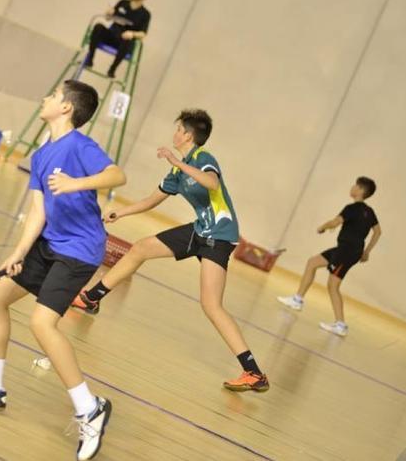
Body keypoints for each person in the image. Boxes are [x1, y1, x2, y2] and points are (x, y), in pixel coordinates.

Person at [0, 80, 126, 460]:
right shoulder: (42, 155)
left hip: (80, 251)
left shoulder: (79, 145)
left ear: (67, 109)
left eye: (53, 96)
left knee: (42, 323)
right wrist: (19, 252)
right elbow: (38, 210)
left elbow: (116, 176)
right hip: (50, 244)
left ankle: (90, 408)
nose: (45, 98)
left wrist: (78, 183)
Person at [71, 109, 270, 393]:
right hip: (199, 230)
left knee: (211, 305)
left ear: (187, 135)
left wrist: (177, 160)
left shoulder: (203, 159)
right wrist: (122, 213)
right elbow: (153, 199)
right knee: (140, 249)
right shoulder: (178, 169)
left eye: (178, 129)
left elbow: (211, 182)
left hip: (219, 235)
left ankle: (254, 373)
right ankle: (92, 298)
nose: (174, 133)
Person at [278, 177, 381, 337]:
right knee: (312, 262)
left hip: (346, 252)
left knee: (333, 285)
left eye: (355, 185)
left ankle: (340, 324)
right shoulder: (369, 212)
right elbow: (378, 231)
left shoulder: (351, 208)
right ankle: (297, 300)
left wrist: (322, 227)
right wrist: (366, 251)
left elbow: (335, 222)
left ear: (361, 190)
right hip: (346, 250)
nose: (352, 187)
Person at [84, 0, 151, 78]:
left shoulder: (145, 14)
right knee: (98, 26)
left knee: (127, 41)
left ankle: (112, 69)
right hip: (111, 35)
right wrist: (108, 13)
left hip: (123, 42)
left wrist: (132, 33)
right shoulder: (123, 3)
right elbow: (108, 18)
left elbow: (143, 33)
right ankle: (90, 59)